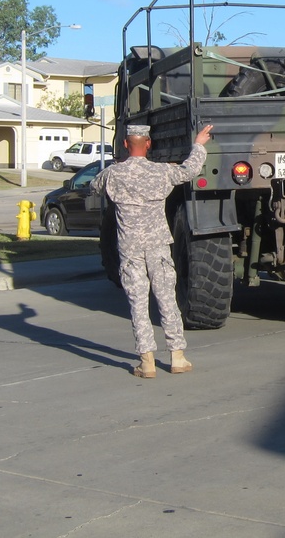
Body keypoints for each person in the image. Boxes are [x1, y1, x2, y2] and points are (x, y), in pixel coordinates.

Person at [92, 123, 213, 378]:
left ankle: (146, 361)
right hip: (158, 246)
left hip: (130, 249)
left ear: (126, 144)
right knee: (167, 300)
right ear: (148, 144)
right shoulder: (161, 172)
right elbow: (188, 171)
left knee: (138, 304)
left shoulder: (113, 174)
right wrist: (199, 144)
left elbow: (94, 187)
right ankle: (177, 357)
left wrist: (115, 168)